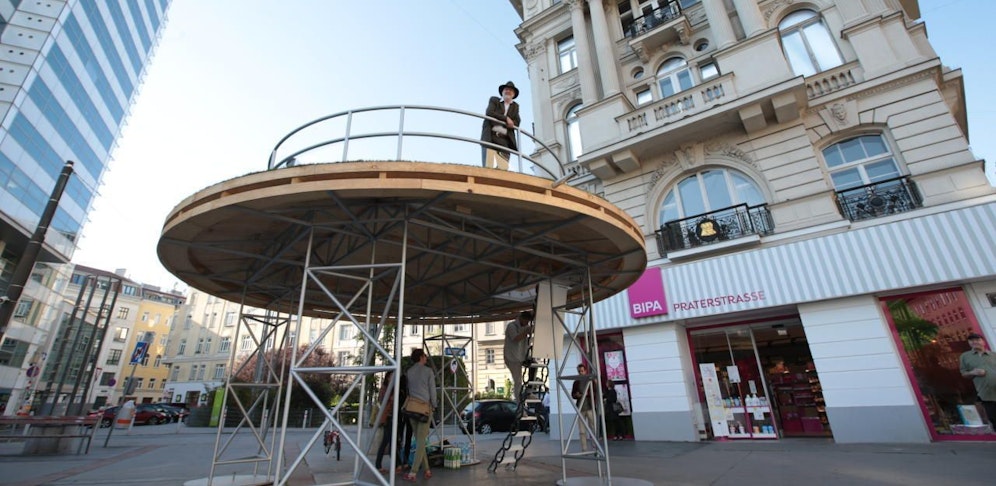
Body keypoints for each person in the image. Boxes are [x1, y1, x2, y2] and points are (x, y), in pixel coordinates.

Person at [403, 348, 436, 482]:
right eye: (425, 356)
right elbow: (432, 390)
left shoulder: (409, 372)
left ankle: (427, 469)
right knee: (422, 441)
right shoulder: (428, 371)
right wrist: (434, 405)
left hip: (411, 407)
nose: (426, 358)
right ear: (421, 357)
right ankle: (413, 472)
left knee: (418, 440)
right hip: (424, 408)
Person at [480, 81, 521, 169]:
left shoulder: (515, 107)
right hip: (490, 136)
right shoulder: (494, 100)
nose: (508, 91)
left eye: (510, 90)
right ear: (502, 92)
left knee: (503, 167)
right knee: (488, 166)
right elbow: (489, 112)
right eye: (506, 89)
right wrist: (506, 119)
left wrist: (508, 123)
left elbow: (517, 122)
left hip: (504, 139)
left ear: (513, 94)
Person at [959, 332, 996, 425]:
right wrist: (973, 372)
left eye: (977, 340)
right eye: (971, 340)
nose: (974, 342)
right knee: (994, 418)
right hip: (986, 394)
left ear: (983, 342)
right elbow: (963, 373)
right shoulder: (965, 356)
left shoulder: (994, 355)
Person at [504, 310, 535, 401]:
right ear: (521, 318)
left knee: (534, 366)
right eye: (526, 321)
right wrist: (526, 332)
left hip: (522, 355)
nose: (527, 323)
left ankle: (529, 390)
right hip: (512, 357)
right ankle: (518, 402)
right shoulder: (511, 326)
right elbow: (516, 338)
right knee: (518, 381)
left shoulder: (526, 326)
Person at [571, 362, 596, 451]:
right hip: (580, 408)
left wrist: (589, 394)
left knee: (593, 427)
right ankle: (584, 448)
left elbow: (595, 392)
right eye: (579, 371)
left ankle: (595, 446)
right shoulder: (576, 383)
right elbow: (573, 395)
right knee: (582, 430)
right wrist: (576, 395)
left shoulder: (590, 381)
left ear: (585, 371)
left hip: (589, 406)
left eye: (582, 371)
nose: (581, 373)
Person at [374, 371, 396, 473]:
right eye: (392, 376)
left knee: (387, 441)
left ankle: (379, 464)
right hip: (388, 416)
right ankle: (395, 464)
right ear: (388, 377)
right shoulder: (386, 389)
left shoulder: (391, 388)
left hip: (389, 415)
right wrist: (390, 400)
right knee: (388, 440)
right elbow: (382, 401)